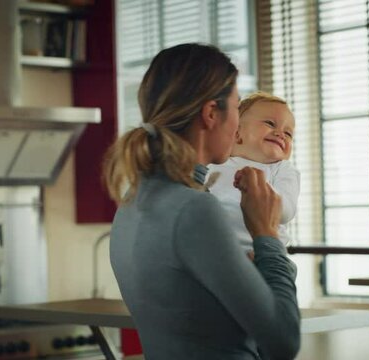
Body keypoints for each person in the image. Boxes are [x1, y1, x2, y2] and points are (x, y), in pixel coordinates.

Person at [104, 43, 300, 360]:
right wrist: (266, 233)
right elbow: (283, 340)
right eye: (237, 107)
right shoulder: (194, 209)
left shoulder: (134, 199)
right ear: (211, 114)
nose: (237, 122)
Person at [208, 92, 299, 255]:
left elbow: (286, 212)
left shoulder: (282, 169)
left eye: (288, 133)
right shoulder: (214, 164)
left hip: (264, 257)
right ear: (236, 133)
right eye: (270, 123)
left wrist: (256, 189)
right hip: (219, 254)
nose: (280, 134)